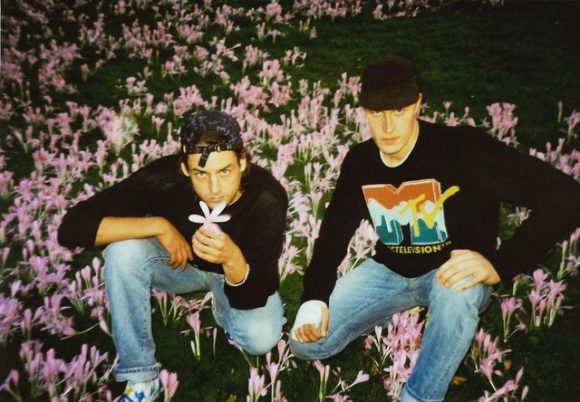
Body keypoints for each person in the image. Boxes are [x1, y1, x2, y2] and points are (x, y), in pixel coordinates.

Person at [290, 55, 580, 402]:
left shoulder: (464, 149)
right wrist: (314, 296)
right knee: (306, 345)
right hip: (389, 271)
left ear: (417, 105)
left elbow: (565, 195)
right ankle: (397, 316)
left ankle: (419, 396)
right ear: (364, 111)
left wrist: (501, 264)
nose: (388, 126)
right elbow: (333, 232)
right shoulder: (361, 161)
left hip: (452, 273)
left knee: (455, 297)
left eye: (399, 110)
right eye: (377, 112)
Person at [58, 110, 288, 402]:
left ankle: (223, 308)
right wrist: (158, 226)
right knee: (121, 251)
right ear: (184, 169)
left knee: (261, 338)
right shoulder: (164, 179)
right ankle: (140, 376)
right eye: (201, 174)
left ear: (242, 162)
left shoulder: (267, 199)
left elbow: (258, 287)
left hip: (238, 275)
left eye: (225, 171)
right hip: (180, 264)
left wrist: (231, 258)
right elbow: (72, 228)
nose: (214, 188)